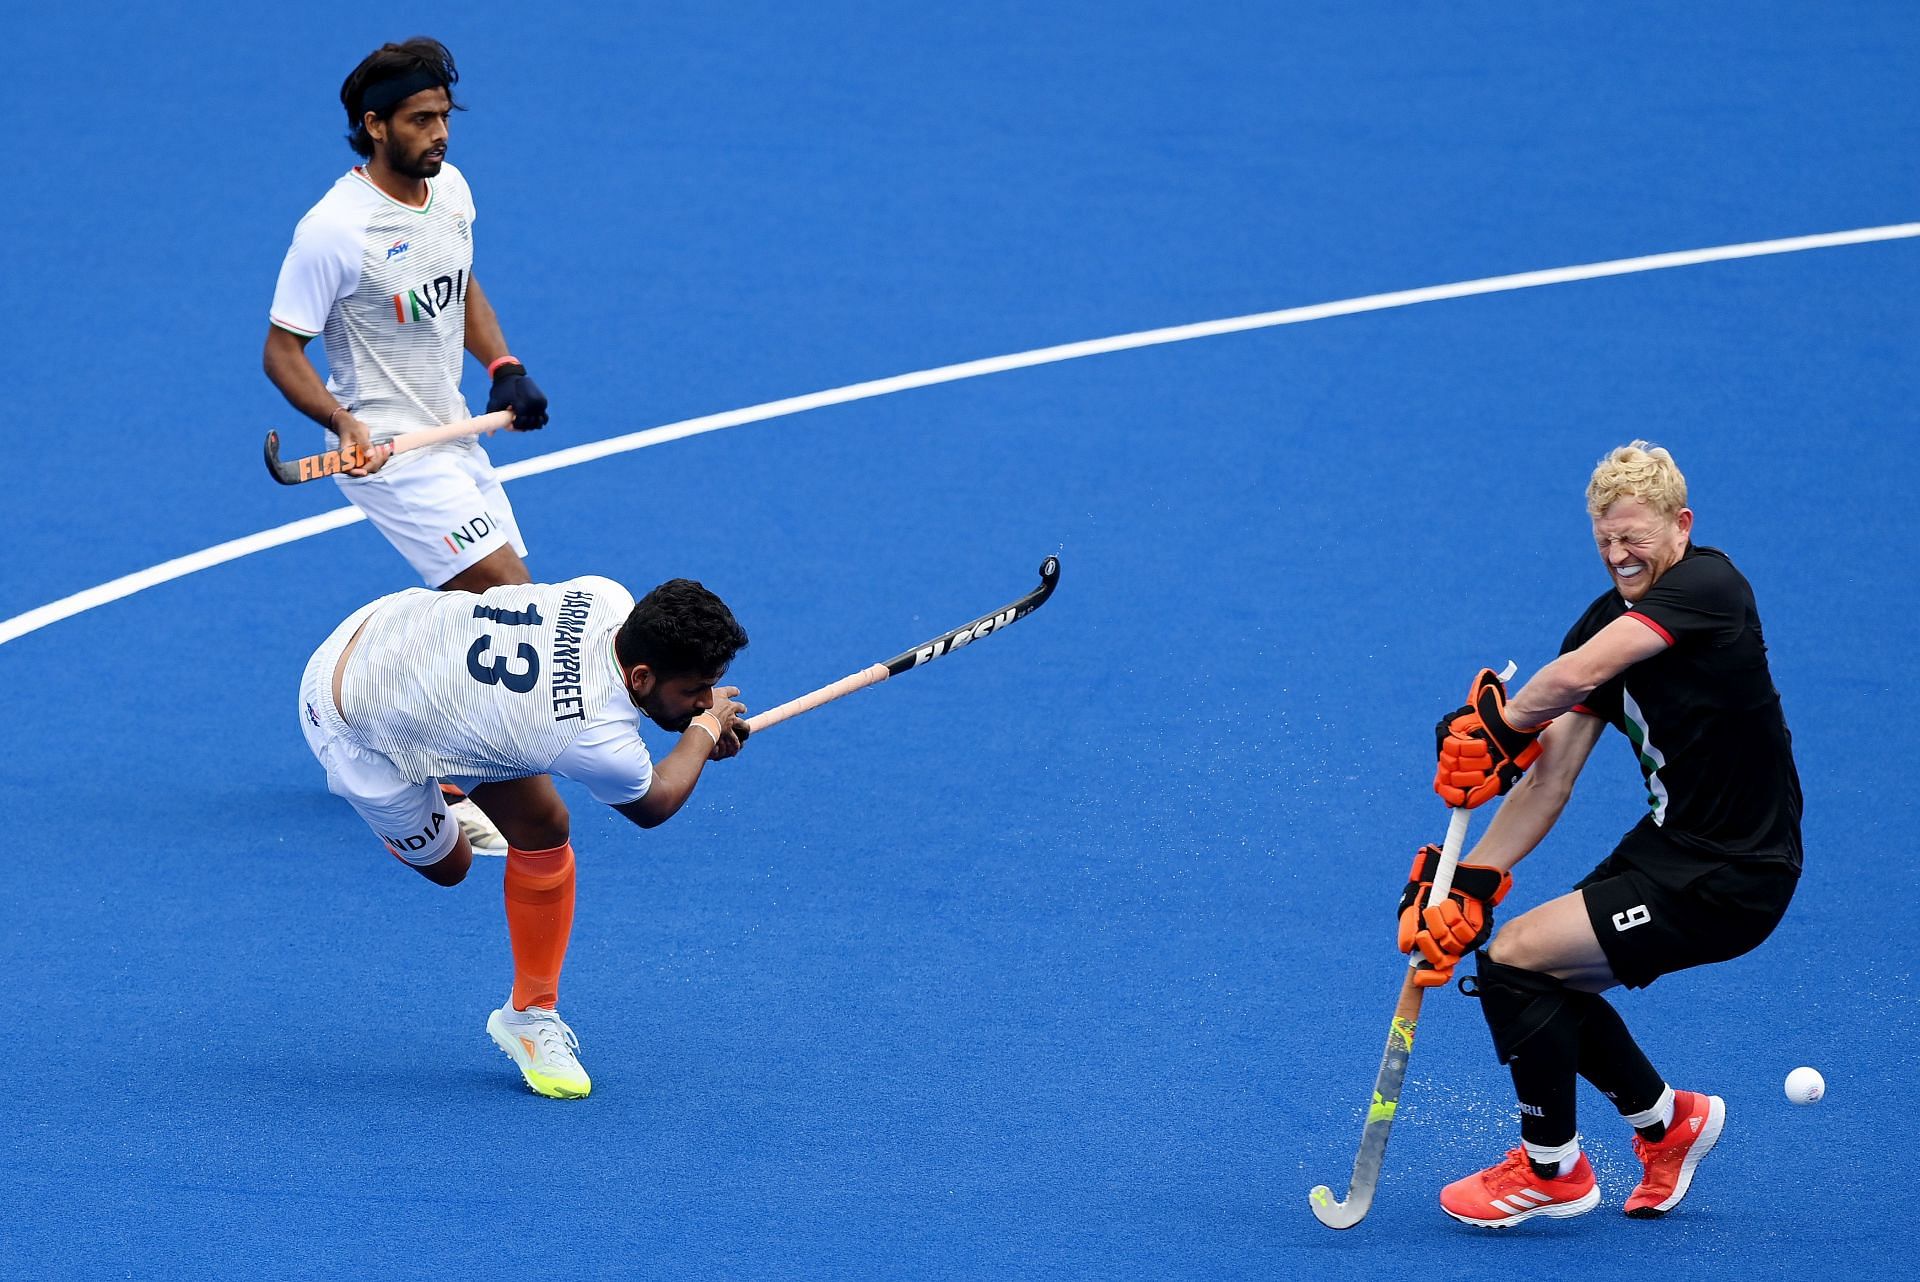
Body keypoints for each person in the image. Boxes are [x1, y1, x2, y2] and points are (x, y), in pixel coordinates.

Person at [1397, 441, 1801, 1227]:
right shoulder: (1603, 619)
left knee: (1518, 961)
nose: (1620, 556)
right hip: (1672, 845)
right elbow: (1551, 778)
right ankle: (1667, 1124)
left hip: (1737, 872)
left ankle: (1553, 1174)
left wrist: (1499, 724)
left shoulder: (1710, 589)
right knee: (1530, 969)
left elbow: (1577, 677)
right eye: (1605, 541)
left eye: (1635, 539)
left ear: (1679, 526)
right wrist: (1470, 881)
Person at [298, 574, 750, 1098]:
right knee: (453, 866)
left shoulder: (607, 597)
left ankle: (530, 1016)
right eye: (695, 691)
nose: (705, 700)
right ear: (642, 676)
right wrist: (703, 732)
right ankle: (426, 786)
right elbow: (655, 804)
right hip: (351, 717)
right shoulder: (596, 740)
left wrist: (697, 724)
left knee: (544, 826)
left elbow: (608, 705)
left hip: (396, 623)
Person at [265, 37, 552, 853]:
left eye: (444, 116)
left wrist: (503, 365)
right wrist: (342, 424)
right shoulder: (334, 230)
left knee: (480, 608)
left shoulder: (449, 190)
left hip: (452, 432)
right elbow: (281, 350)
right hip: (387, 452)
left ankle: (381, 739)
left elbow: (457, 283)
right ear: (374, 125)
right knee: (510, 601)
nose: (441, 133)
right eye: (422, 119)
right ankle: (450, 773)